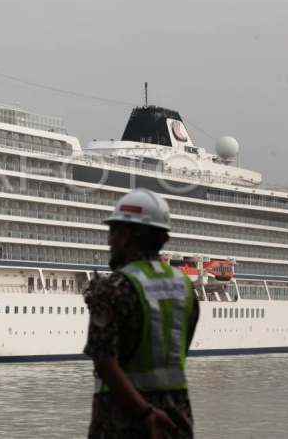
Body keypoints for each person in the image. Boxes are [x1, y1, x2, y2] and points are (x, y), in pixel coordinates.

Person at [83, 188, 200, 439]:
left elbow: (104, 363)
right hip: (176, 419)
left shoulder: (113, 288)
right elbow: (165, 345)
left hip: (124, 421)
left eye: (112, 232)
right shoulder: (185, 287)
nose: (109, 241)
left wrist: (146, 412)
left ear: (126, 236)